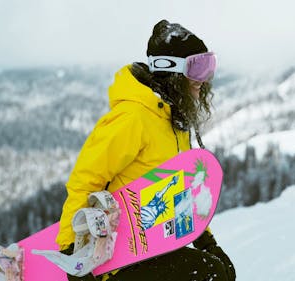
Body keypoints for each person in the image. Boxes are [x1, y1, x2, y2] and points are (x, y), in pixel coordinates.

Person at [55, 19, 236, 281]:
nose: (203, 79)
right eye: (198, 67)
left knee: (220, 271)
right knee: (210, 273)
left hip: (156, 247)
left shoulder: (174, 122)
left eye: (209, 66)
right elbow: (85, 180)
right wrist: (74, 255)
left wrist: (206, 241)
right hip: (117, 261)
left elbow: (179, 188)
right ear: (172, 71)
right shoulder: (134, 117)